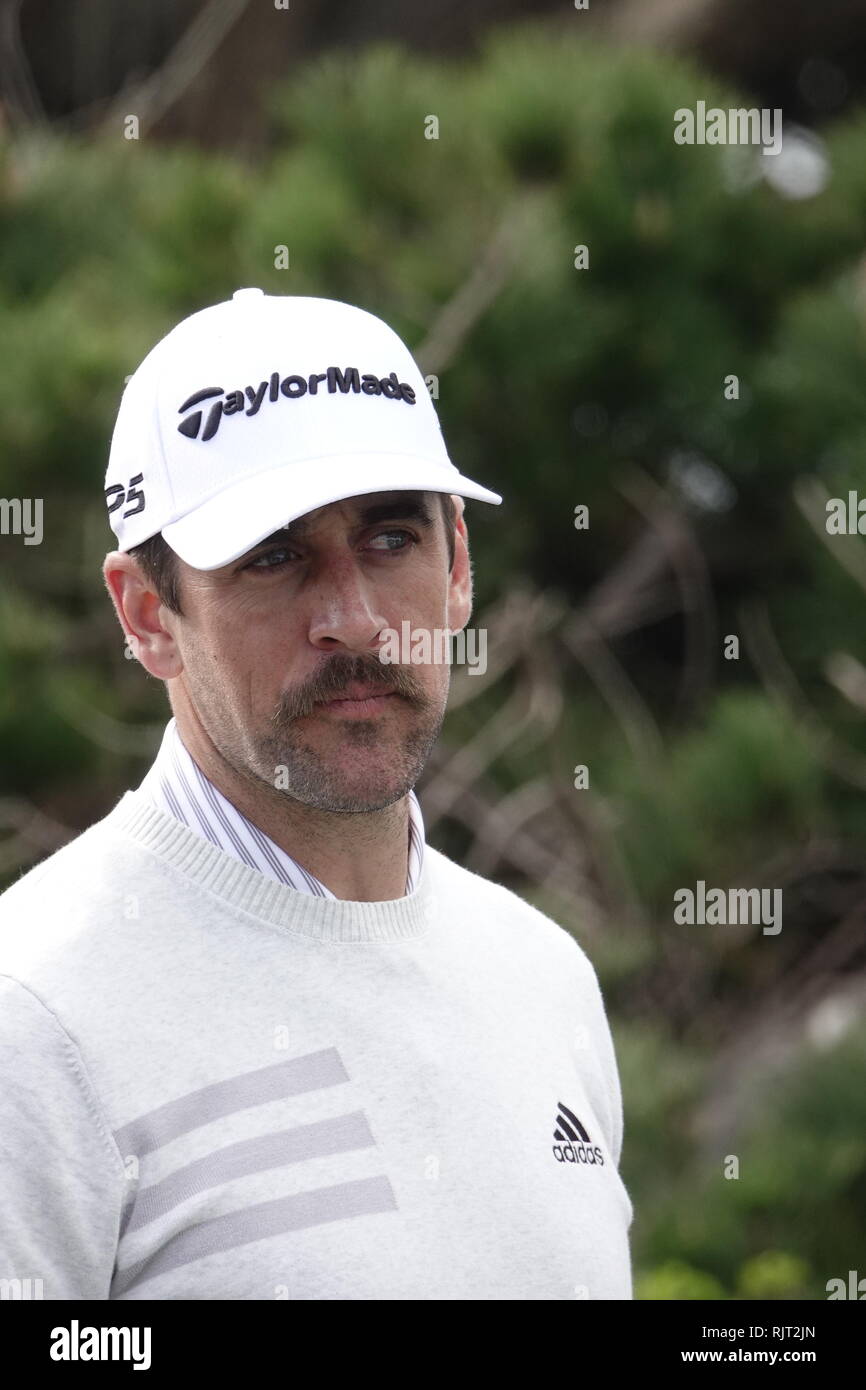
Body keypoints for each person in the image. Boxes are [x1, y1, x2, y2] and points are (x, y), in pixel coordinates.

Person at [0, 289, 633, 1300]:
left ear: (458, 564)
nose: (354, 620)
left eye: (390, 539)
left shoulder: (541, 978)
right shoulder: (31, 1017)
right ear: (148, 613)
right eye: (275, 557)